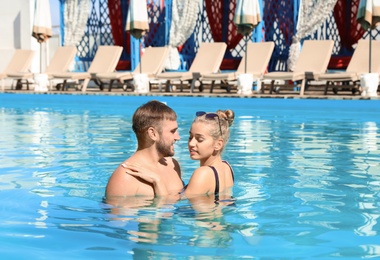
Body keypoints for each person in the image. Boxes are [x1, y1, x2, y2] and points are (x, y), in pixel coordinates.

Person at [123, 109, 235, 200]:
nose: (191, 143)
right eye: (190, 137)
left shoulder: (203, 173)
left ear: (218, 144)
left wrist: (157, 180)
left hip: (202, 227)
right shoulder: (227, 167)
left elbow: (167, 205)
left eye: (199, 139)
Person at [105, 100, 184, 200]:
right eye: (172, 131)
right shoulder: (126, 177)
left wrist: (158, 181)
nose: (178, 137)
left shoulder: (172, 165)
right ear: (153, 134)